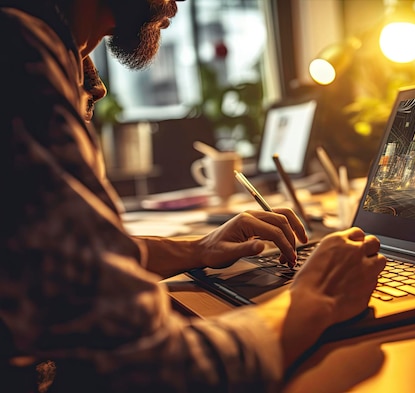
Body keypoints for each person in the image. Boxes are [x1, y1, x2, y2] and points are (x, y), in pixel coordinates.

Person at [0, 0, 387, 392]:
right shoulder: (17, 51)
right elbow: (153, 369)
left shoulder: (52, 48)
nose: (179, 2)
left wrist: (198, 250)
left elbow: (68, 263)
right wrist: (312, 297)